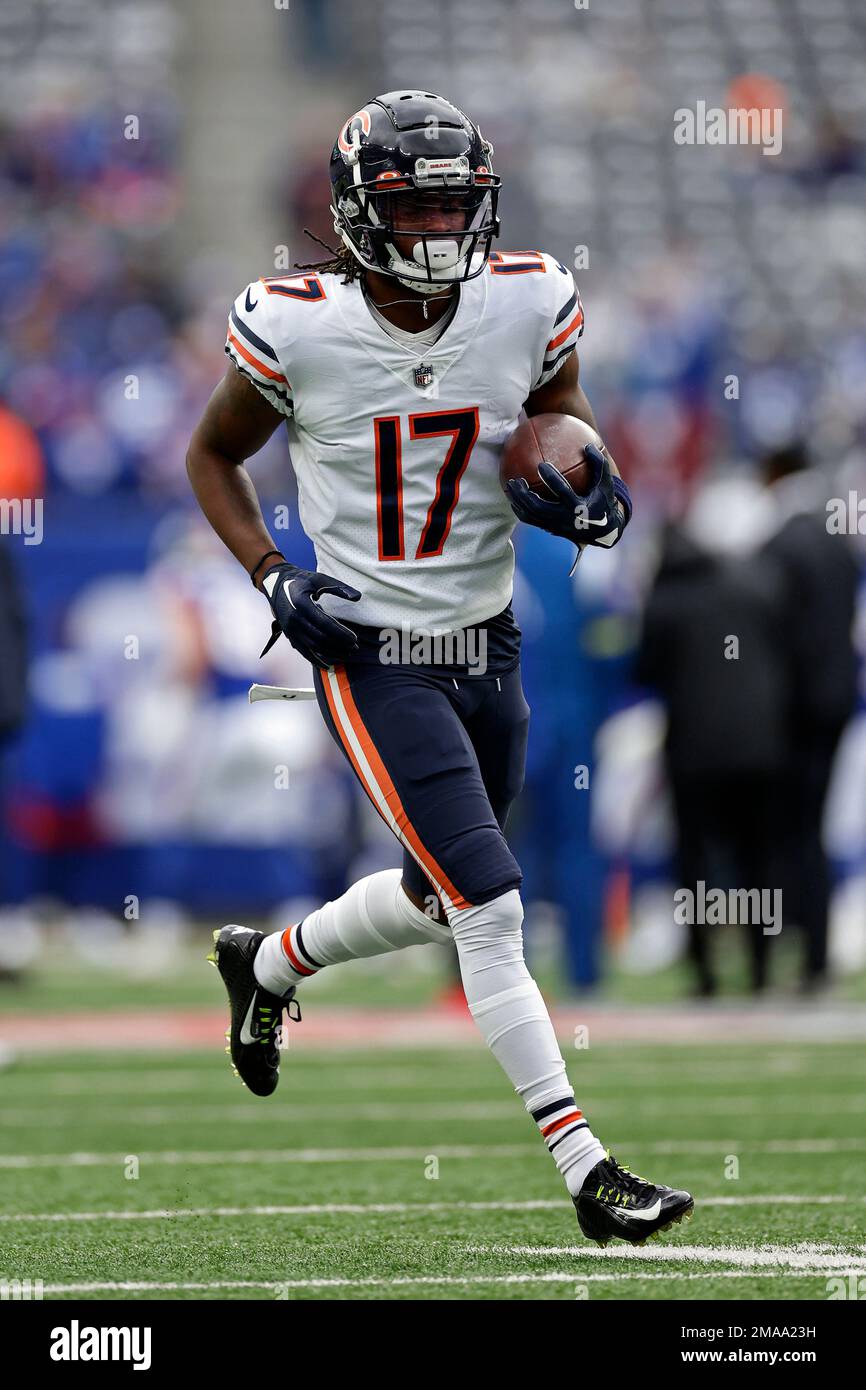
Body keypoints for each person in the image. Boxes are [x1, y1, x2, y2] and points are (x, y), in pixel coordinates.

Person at [187, 90, 692, 1245]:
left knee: (438, 894)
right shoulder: (293, 323)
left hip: (487, 638)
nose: (439, 235)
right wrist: (271, 572)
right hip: (370, 652)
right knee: (493, 906)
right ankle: (586, 1168)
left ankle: (265, 966)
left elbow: (557, 420)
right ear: (359, 214)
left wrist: (574, 470)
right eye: (415, 211)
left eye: (456, 208)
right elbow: (211, 454)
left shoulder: (524, 300)